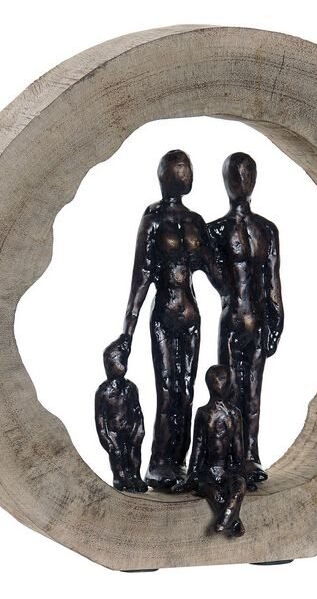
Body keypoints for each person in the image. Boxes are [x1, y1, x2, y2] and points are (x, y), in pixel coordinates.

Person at [121, 150, 222, 490]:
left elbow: (216, 272)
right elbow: (140, 278)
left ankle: (181, 461)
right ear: (164, 174)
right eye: (179, 169)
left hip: (190, 313)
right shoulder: (153, 219)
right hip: (164, 313)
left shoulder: (195, 221)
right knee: (167, 388)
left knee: (187, 388)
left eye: (187, 168)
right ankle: (160, 462)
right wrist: (127, 333)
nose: (185, 174)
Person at [207, 152, 284, 484]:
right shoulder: (215, 230)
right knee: (227, 389)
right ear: (225, 182)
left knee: (252, 391)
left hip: (257, 319)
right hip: (232, 318)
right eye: (235, 176)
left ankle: (250, 455)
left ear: (255, 180)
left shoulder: (266, 230)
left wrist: (277, 321)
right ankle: (228, 456)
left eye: (247, 175)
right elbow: (212, 273)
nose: (241, 182)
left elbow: (272, 281)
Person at [172, 365, 249, 536]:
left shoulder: (234, 414)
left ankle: (223, 522)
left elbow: (238, 452)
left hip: (227, 471)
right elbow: (197, 449)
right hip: (206, 473)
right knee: (214, 493)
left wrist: (242, 475)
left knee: (239, 486)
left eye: (223, 380)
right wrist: (191, 476)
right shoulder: (203, 413)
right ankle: (233, 522)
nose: (220, 385)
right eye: (217, 381)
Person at [95, 336, 147, 493]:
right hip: (113, 434)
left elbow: (137, 410)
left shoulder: (130, 388)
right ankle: (121, 478)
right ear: (109, 364)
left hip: (131, 430)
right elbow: (100, 419)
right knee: (118, 456)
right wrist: (106, 438)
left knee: (134, 454)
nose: (122, 365)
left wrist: (139, 428)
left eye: (123, 361)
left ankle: (135, 477)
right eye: (119, 361)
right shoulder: (103, 392)